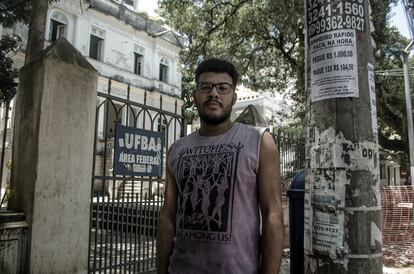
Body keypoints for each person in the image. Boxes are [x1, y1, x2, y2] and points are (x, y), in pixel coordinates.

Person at [156, 58, 284, 274]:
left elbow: (273, 213)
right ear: (195, 95)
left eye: (223, 88)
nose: (214, 93)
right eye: (205, 87)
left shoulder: (259, 141)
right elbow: (167, 216)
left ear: (233, 96)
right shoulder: (177, 150)